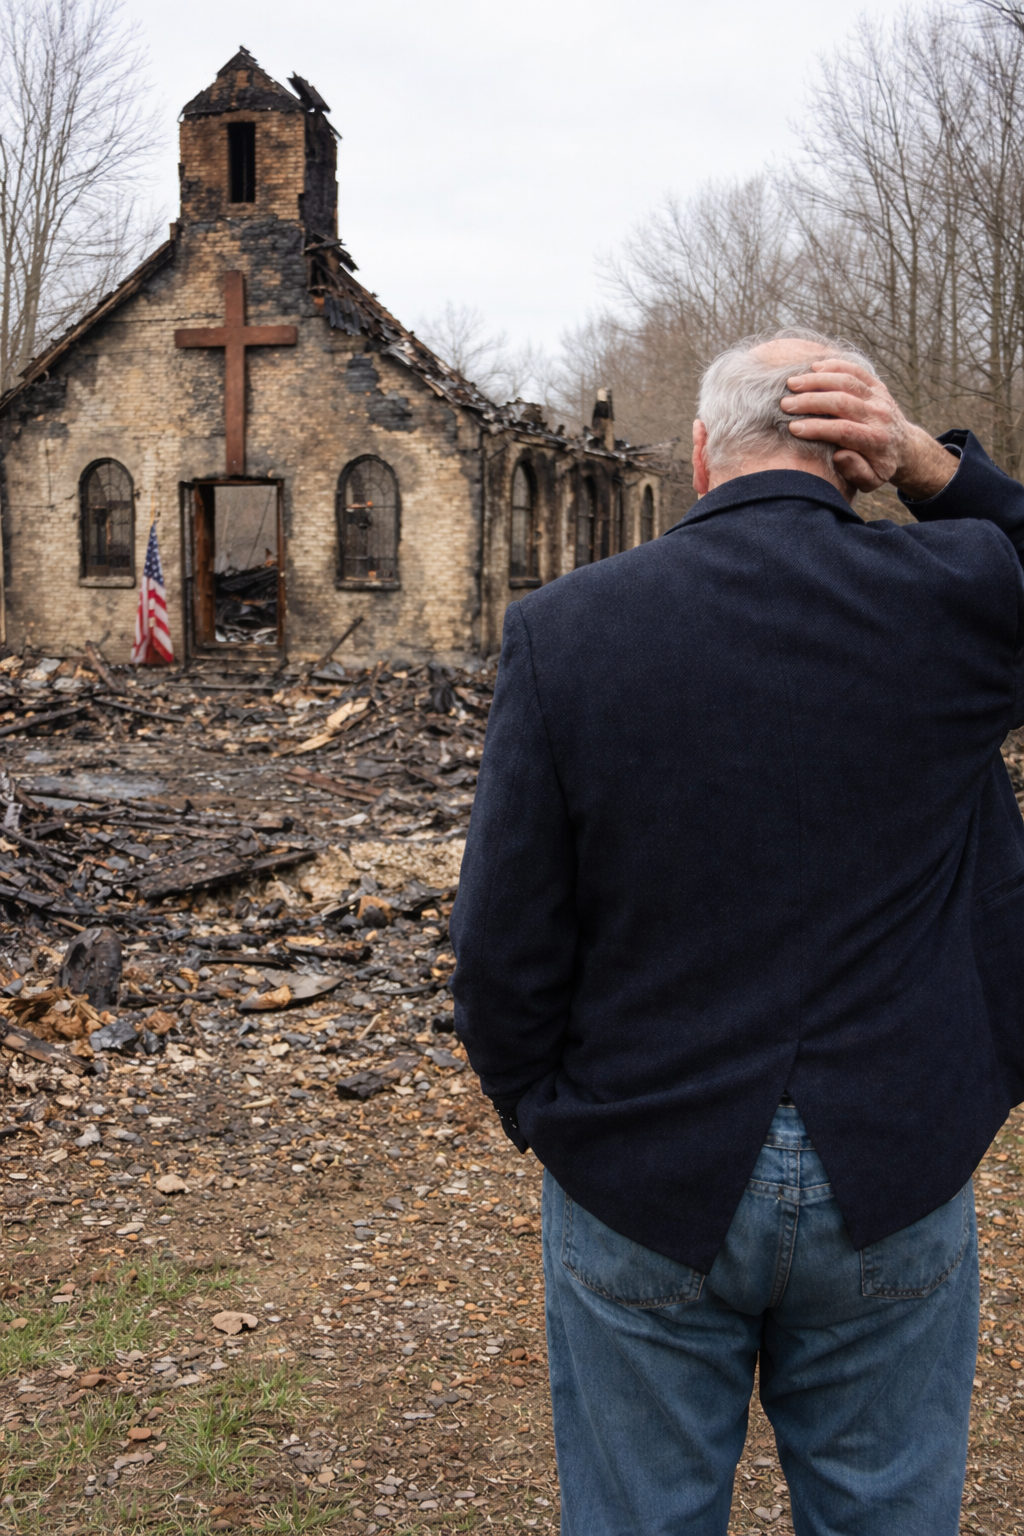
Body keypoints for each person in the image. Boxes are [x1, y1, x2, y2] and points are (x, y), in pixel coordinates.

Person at [449, 330, 1024, 1536]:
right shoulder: (955, 596)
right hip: (896, 1150)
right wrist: (938, 468)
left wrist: (551, 1118)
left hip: (640, 1158)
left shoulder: (567, 630)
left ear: (701, 455)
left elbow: (504, 940)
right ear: (855, 459)